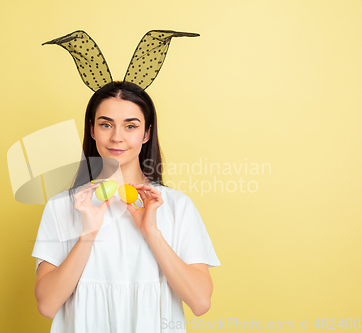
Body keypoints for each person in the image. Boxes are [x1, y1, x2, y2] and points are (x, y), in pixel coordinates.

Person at [31, 80, 221, 333]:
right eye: (106, 124)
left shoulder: (176, 206)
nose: (116, 137)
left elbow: (199, 302)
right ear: (92, 130)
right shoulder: (63, 207)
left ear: (146, 133)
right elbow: (47, 305)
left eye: (130, 126)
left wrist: (152, 233)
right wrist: (88, 235)